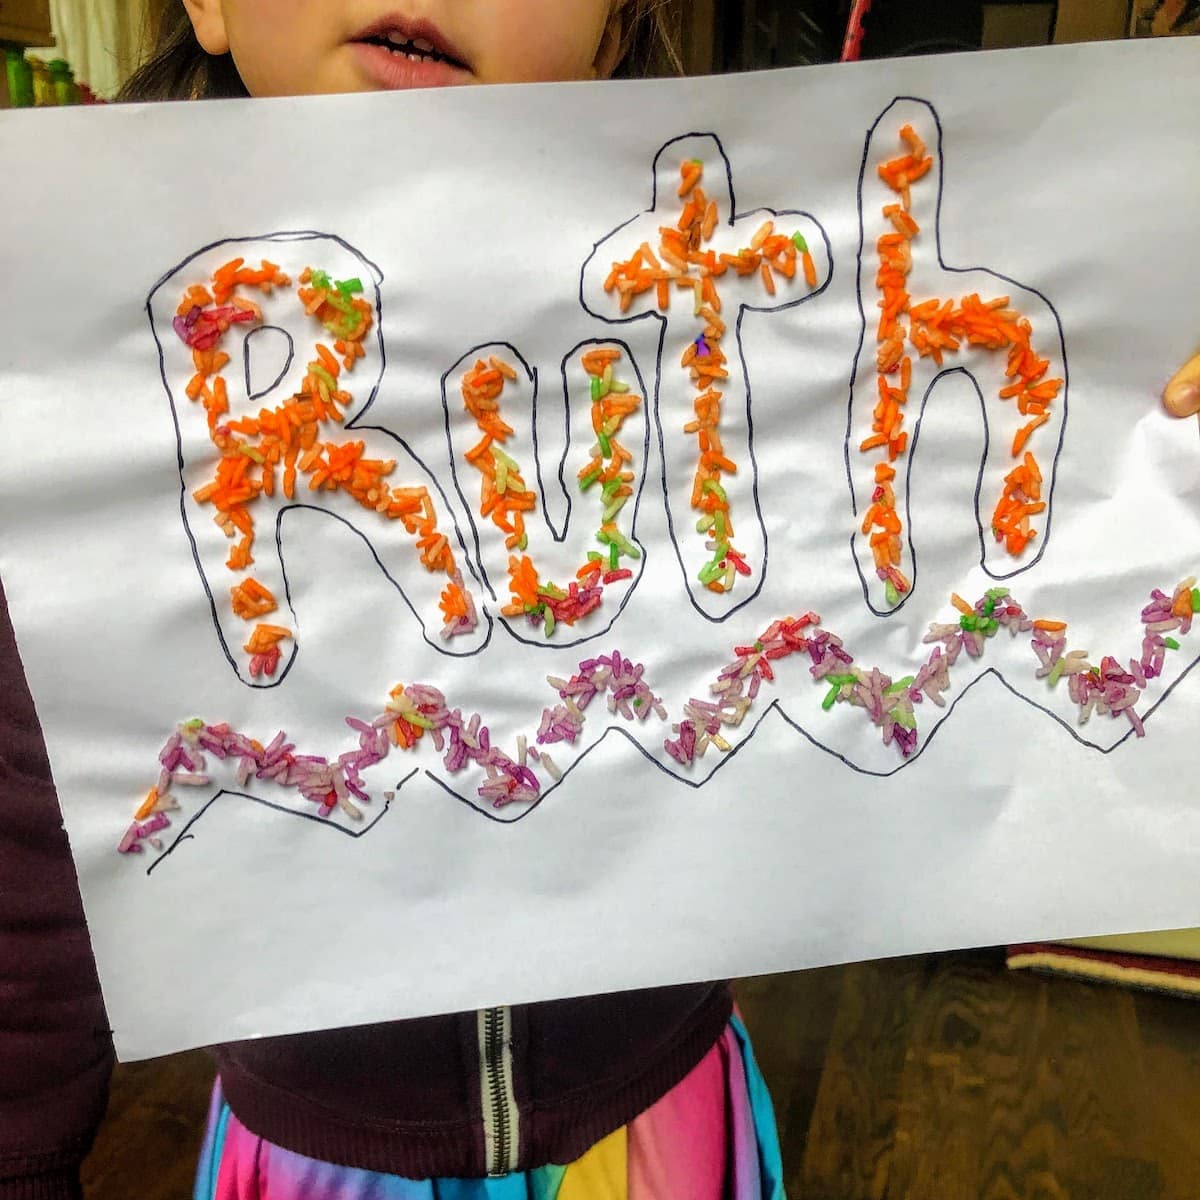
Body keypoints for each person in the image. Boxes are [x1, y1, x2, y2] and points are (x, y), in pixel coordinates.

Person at [0, 4, 786, 1200]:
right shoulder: (83, 370)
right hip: (317, 1148)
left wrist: (1146, 447)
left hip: (658, 1111)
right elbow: (29, 833)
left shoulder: (729, 322)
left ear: (618, 31)